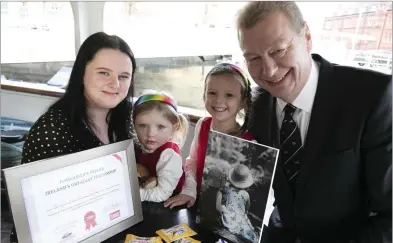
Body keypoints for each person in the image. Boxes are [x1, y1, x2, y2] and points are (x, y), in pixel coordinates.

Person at [236, 2, 392, 243]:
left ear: (307, 38)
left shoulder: (373, 96)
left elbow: (389, 216)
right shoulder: (257, 103)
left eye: (278, 50)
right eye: (253, 58)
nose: (268, 70)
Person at [10, 32, 137, 243]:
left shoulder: (122, 120)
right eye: (104, 73)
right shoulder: (51, 131)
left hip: (105, 227)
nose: (115, 84)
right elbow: (41, 216)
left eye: (124, 76)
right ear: (81, 74)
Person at [164, 62, 255, 209]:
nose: (219, 100)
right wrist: (189, 191)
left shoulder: (250, 142)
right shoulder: (202, 125)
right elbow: (192, 162)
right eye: (212, 93)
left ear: (243, 102)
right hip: (196, 202)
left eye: (229, 95)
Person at [133, 90, 189, 202]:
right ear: (134, 124)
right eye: (143, 126)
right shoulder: (140, 147)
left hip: (167, 207)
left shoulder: (169, 155)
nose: (150, 134)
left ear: (174, 127)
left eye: (160, 127)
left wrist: (133, 194)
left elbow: (162, 194)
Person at [217, 163, 257, 243]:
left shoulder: (226, 190)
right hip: (240, 216)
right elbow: (247, 207)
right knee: (246, 227)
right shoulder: (245, 194)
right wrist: (245, 212)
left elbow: (222, 202)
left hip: (228, 217)